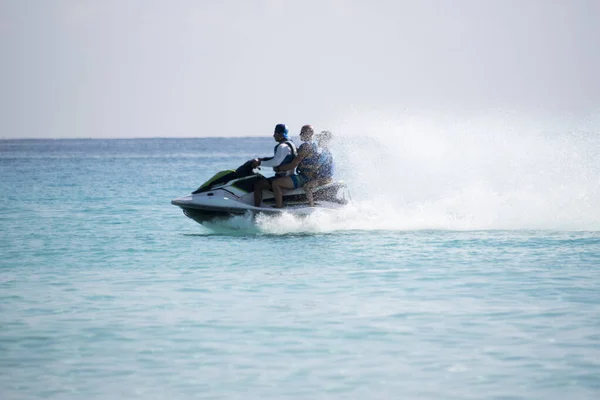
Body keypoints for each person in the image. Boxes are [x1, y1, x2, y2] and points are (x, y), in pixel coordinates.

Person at [271, 125, 320, 208]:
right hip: (312, 176)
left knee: (275, 183)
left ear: (310, 133)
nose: (300, 134)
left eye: (302, 132)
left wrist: (278, 168)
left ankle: (279, 207)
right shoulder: (314, 145)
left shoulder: (305, 146)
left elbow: (293, 164)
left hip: (304, 178)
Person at [252, 124, 297, 207]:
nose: (273, 135)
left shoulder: (283, 146)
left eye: (275, 133)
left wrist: (260, 163)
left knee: (258, 185)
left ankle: (256, 208)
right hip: (289, 175)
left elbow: (276, 162)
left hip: (283, 177)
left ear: (280, 134)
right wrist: (262, 159)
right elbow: (278, 158)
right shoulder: (290, 144)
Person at [302, 130, 335, 205]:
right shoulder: (327, 150)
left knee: (307, 186)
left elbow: (315, 167)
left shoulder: (325, 153)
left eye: (320, 139)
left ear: (324, 140)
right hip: (326, 176)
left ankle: (311, 205)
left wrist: (304, 166)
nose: (318, 141)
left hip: (325, 178)